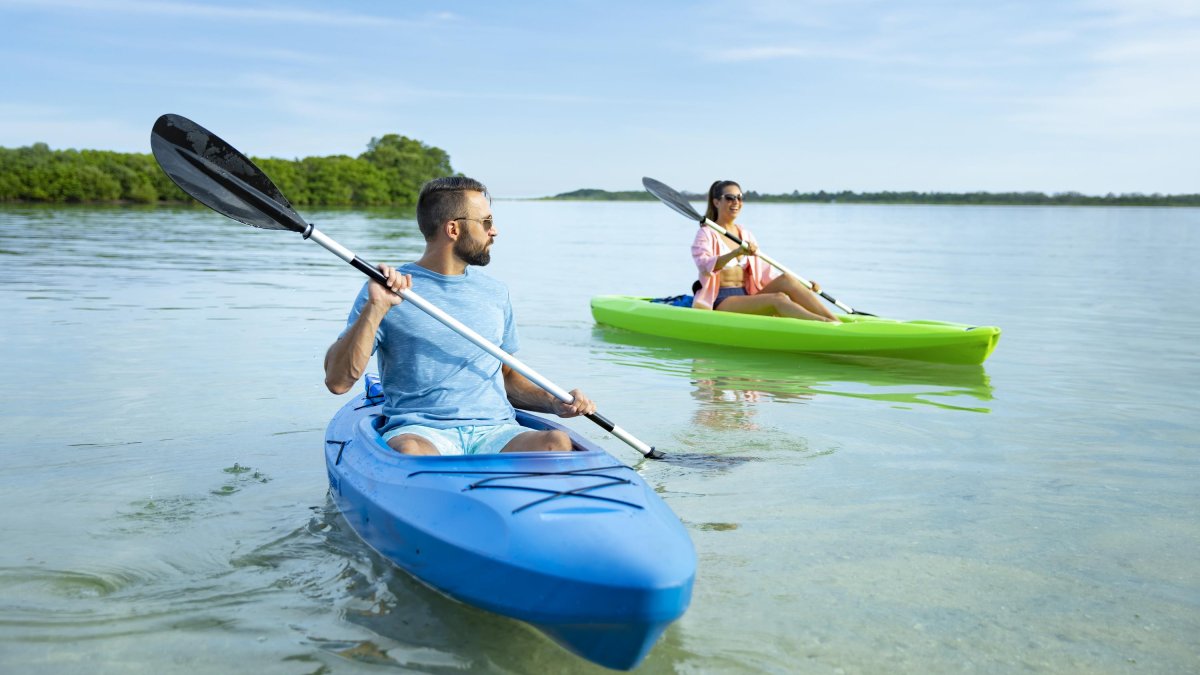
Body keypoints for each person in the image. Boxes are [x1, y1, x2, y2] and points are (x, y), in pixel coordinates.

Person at [324, 176, 596, 455]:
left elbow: (508, 377)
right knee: (411, 451)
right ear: (453, 229)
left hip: (495, 430)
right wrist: (376, 308)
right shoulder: (387, 290)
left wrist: (554, 402)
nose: (495, 231)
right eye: (486, 222)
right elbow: (338, 381)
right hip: (421, 432)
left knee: (557, 444)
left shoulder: (495, 292)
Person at [691, 180, 839, 323]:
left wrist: (804, 284)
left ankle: (836, 322)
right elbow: (704, 266)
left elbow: (764, 272)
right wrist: (735, 253)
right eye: (730, 198)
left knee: (787, 279)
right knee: (778, 298)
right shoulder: (706, 233)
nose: (736, 202)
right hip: (721, 300)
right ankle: (826, 325)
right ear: (716, 202)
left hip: (747, 295)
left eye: (739, 197)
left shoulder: (746, 234)